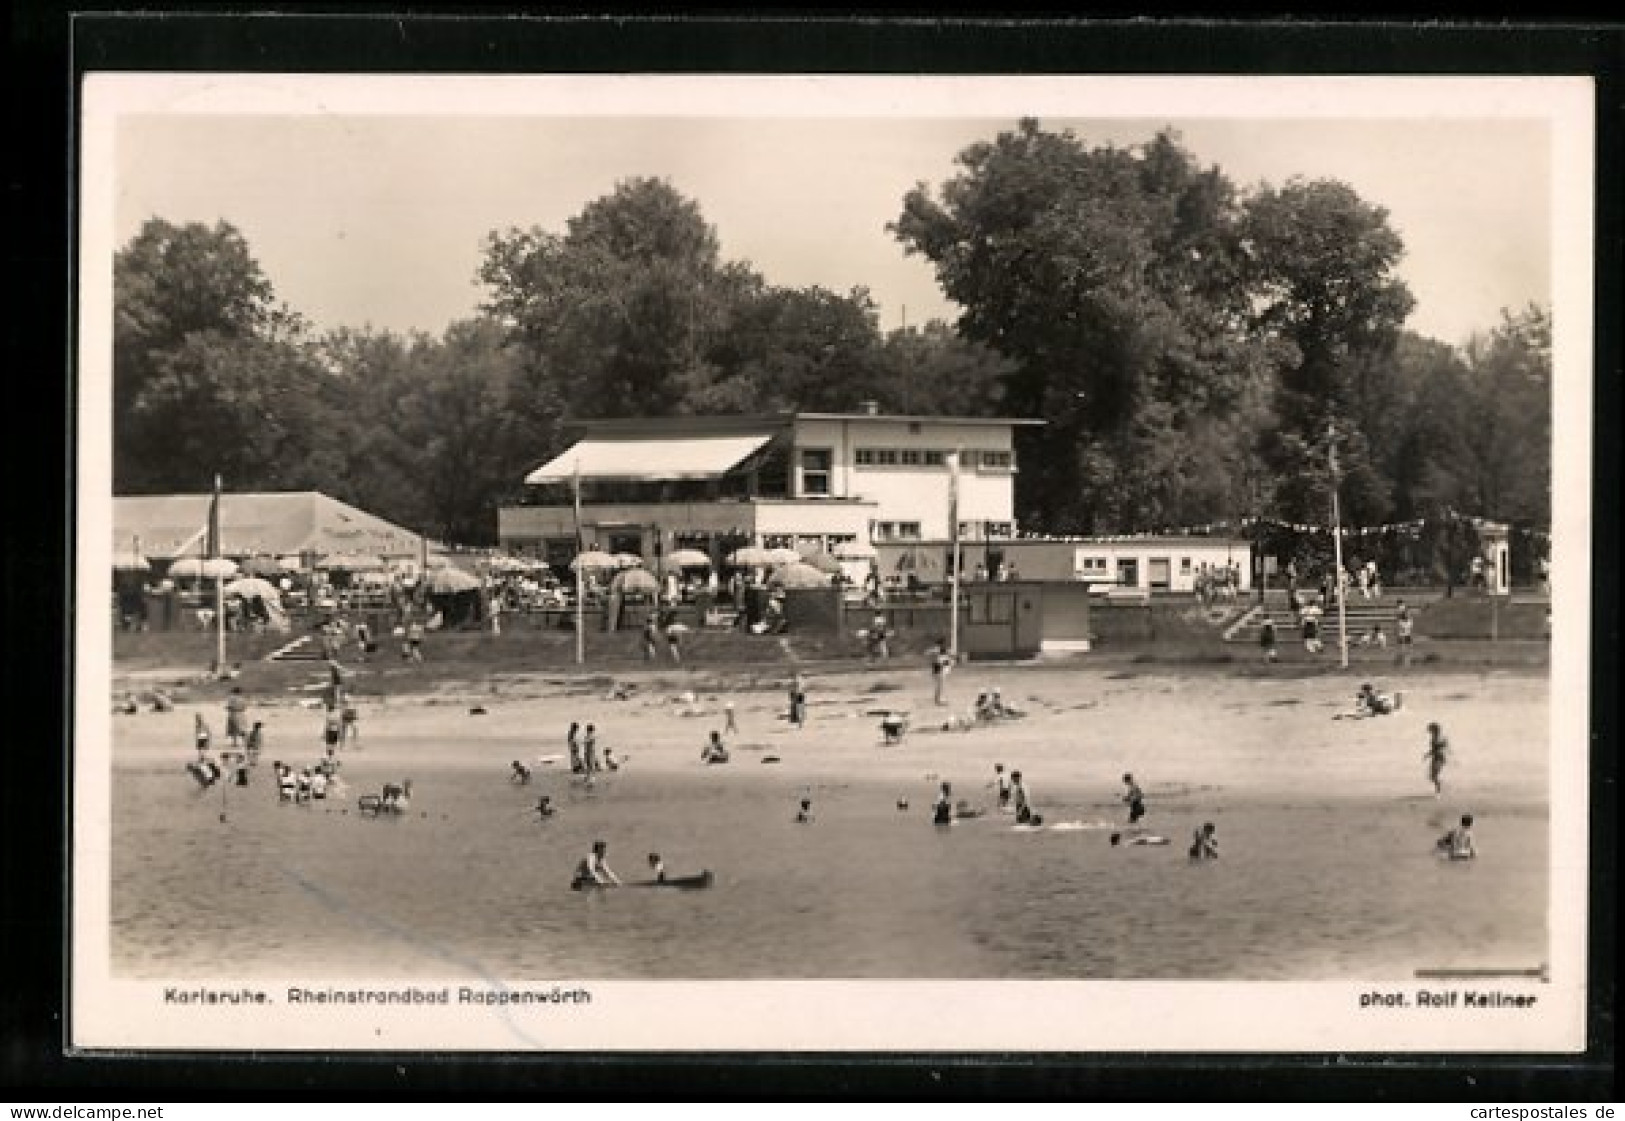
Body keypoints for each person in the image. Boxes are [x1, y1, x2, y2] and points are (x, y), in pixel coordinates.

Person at [1423, 723, 1450, 797]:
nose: (1430, 732)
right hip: (1435, 758)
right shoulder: (1434, 739)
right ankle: (1441, 787)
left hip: (1440, 758)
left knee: (1434, 775)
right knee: (1432, 776)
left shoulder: (1440, 738)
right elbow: (1434, 749)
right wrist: (1427, 754)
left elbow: (1443, 747)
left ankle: (1439, 792)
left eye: (1431, 730)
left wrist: (1429, 754)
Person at [930, 640, 953, 706]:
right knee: (939, 685)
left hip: (938, 670)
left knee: (939, 685)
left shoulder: (941, 652)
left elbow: (946, 659)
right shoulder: (938, 652)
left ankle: (937, 699)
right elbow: (939, 663)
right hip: (938, 670)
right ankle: (938, 700)